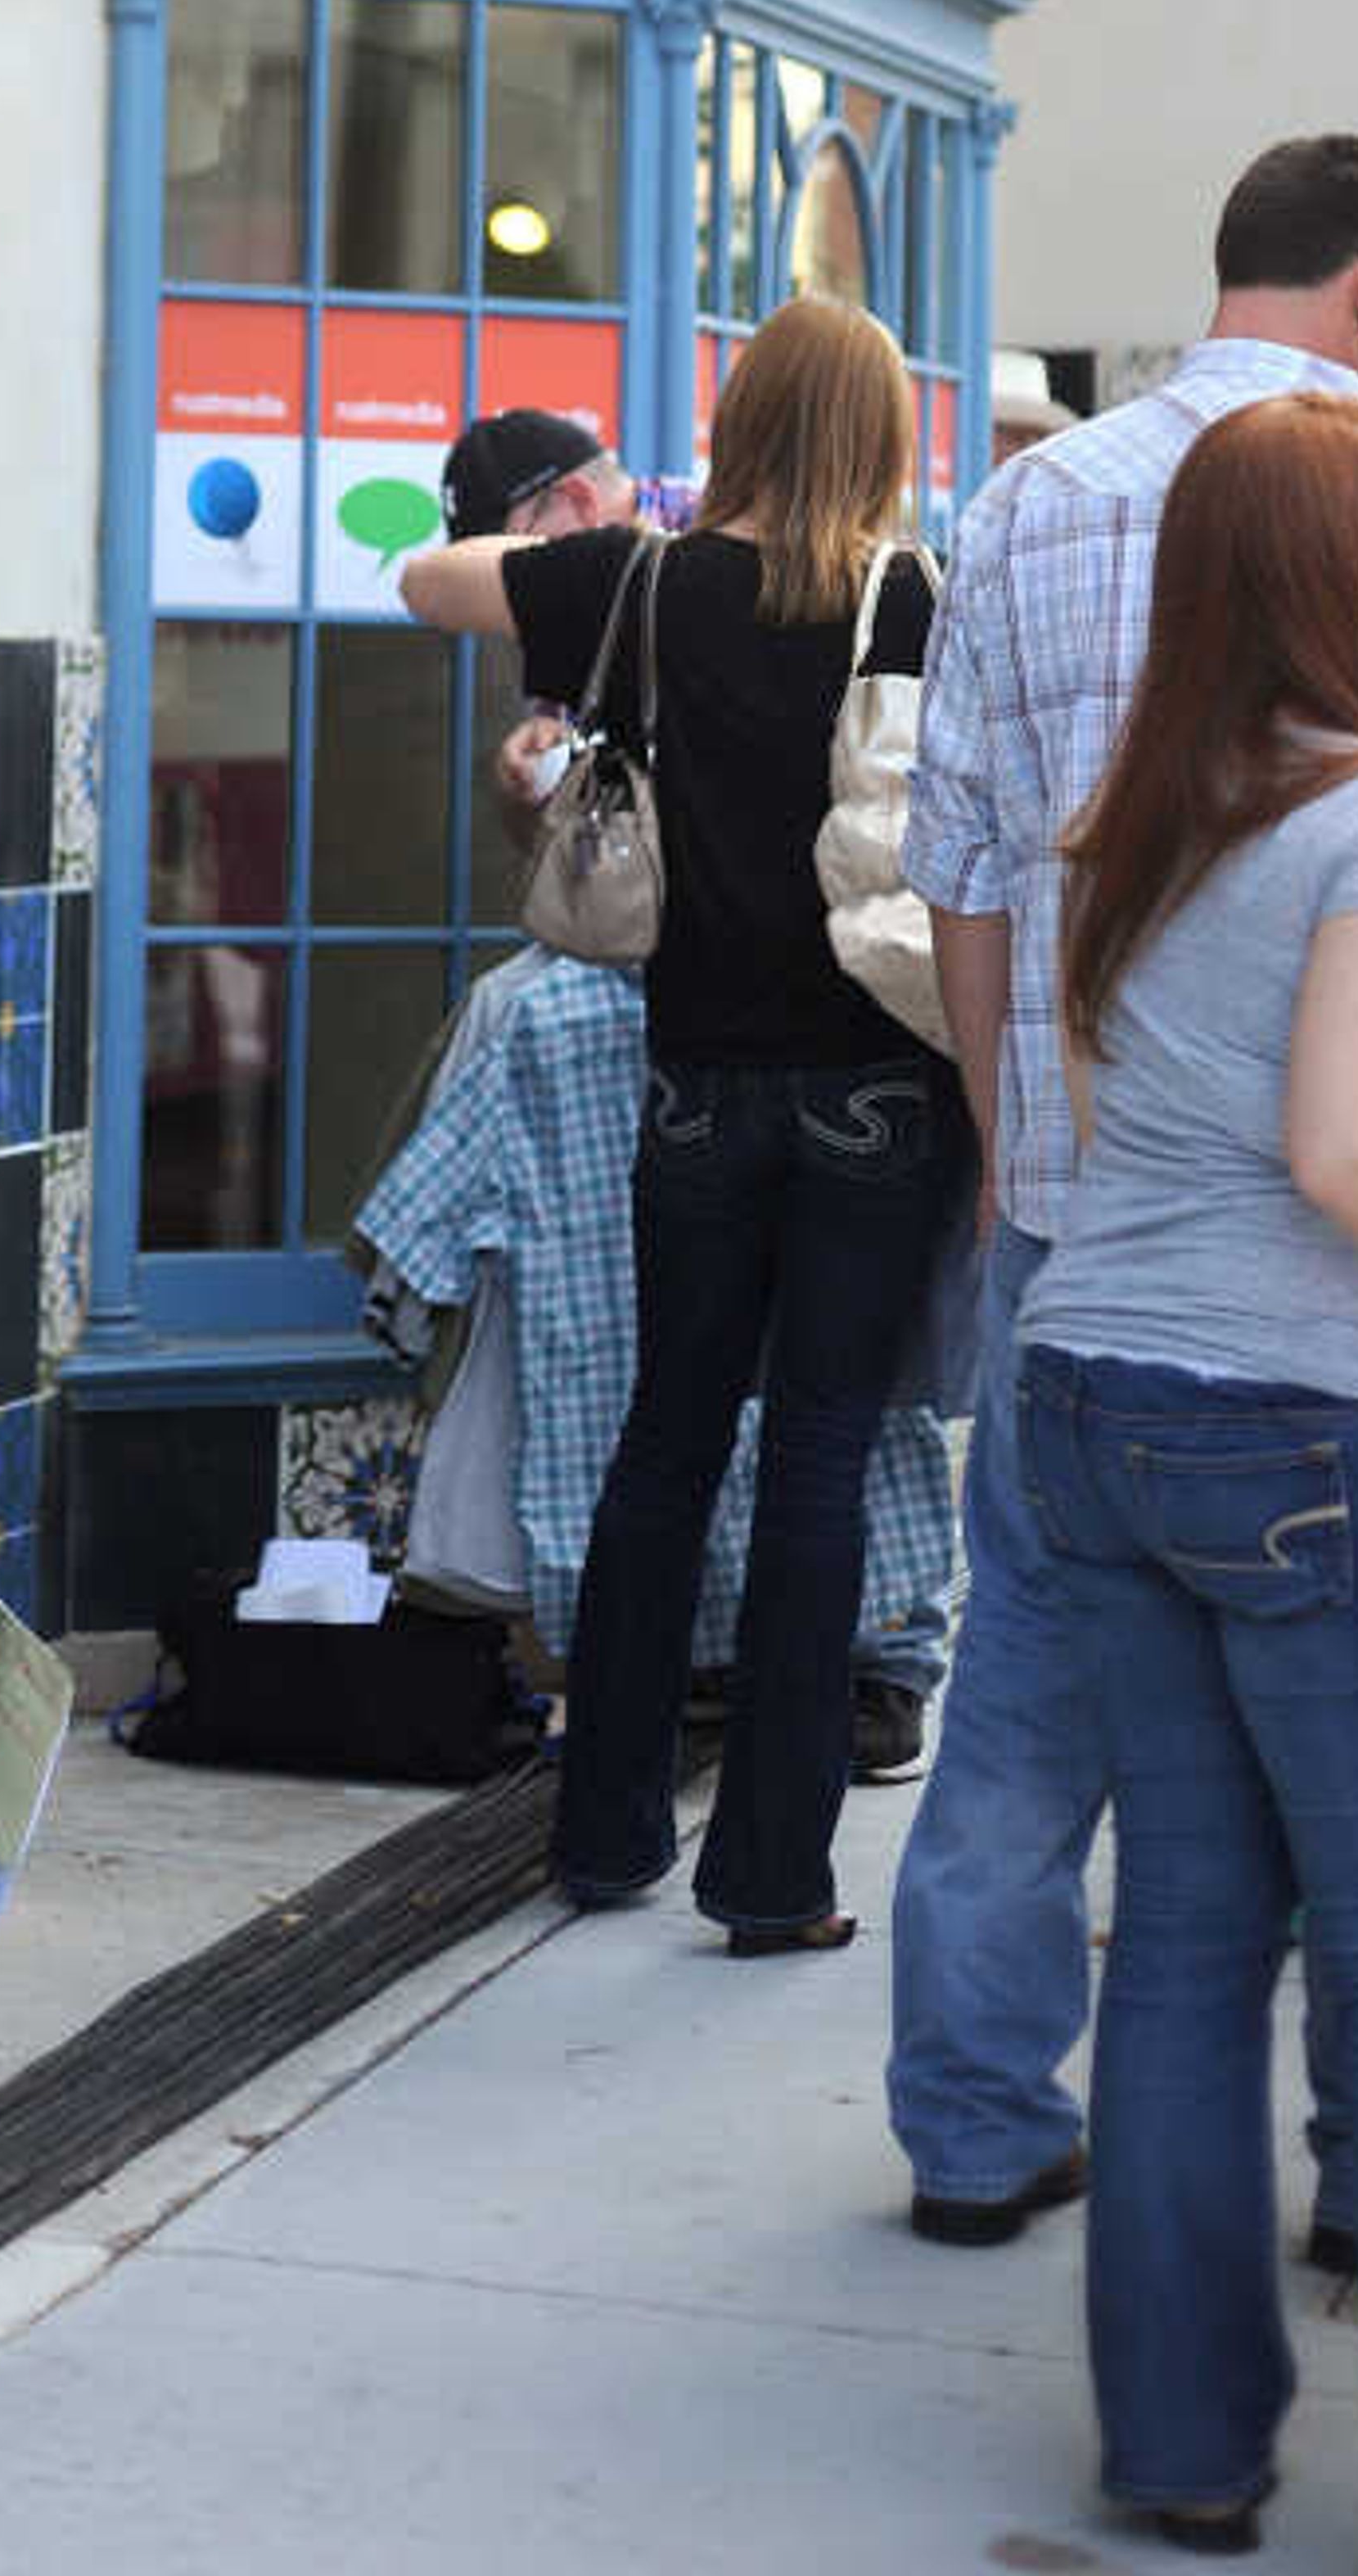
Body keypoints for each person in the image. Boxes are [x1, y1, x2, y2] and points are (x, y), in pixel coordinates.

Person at [890, 131, 1358, 2250]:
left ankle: (970, 2117)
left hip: (1081, 1215)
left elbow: (961, 871)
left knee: (1028, 1709)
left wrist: (1004, 1129)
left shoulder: (1029, 495)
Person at [1017, 391, 1358, 2565]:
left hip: (1096, 1400)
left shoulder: (1132, 816)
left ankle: (1183, 2444)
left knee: (1191, 1935)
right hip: (1315, 1428)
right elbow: (1348, 1150)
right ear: (1340, 576)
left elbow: (1121, 1132)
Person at [401, 298, 962, 1946]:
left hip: (692, 1089)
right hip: (877, 1091)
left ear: (742, 424)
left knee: (667, 1444)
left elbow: (421, 582)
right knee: (821, 1464)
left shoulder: (639, 581)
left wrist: (582, 530)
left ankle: (609, 1833)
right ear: (879, 438)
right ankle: (774, 1876)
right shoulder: (915, 594)